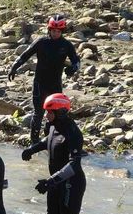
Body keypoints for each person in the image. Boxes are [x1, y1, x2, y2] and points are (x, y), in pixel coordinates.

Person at [20, 93, 90, 214]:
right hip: (56, 183)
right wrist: (32, 149)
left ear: (59, 111)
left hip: (71, 184)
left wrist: (50, 181)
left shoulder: (73, 132)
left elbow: (74, 165)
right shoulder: (53, 126)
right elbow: (49, 140)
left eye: (49, 112)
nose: (45, 115)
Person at [8, 14, 80, 144]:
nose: (56, 33)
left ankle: (52, 139)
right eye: (53, 31)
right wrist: (14, 67)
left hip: (55, 85)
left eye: (58, 31)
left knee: (57, 113)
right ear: (49, 30)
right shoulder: (42, 42)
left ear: (62, 31)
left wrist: (73, 68)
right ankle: (34, 142)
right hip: (40, 83)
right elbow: (25, 55)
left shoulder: (66, 45)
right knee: (39, 113)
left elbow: (76, 60)